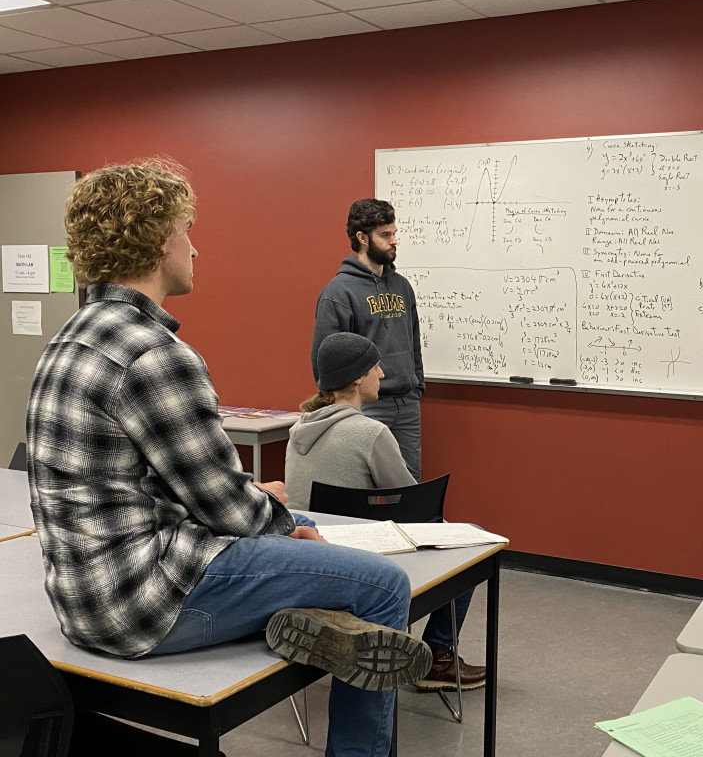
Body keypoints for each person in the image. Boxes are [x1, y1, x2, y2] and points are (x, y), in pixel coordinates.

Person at [25, 160, 431, 757]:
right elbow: (224, 505)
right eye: (187, 230)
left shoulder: (66, 341)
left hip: (82, 602)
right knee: (382, 585)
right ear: (161, 242)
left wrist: (266, 512)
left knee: (296, 534)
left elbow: (145, 484)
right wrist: (287, 525)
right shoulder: (156, 355)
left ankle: (305, 620)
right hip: (147, 605)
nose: (196, 248)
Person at [287, 331, 486, 692]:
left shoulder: (297, 429)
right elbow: (414, 507)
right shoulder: (371, 433)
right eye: (374, 366)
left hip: (306, 564)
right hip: (365, 569)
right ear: (358, 377)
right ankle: (439, 656)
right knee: (470, 536)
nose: (382, 373)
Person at [311, 198, 424, 480]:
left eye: (394, 233)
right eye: (385, 235)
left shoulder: (401, 286)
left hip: (407, 405)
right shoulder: (339, 292)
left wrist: (416, 386)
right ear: (362, 238)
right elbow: (324, 360)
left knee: (410, 489)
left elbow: (414, 341)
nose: (394, 241)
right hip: (365, 406)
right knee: (363, 490)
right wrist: (346, 404)